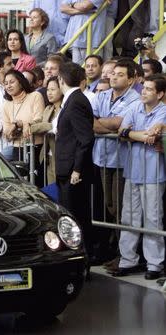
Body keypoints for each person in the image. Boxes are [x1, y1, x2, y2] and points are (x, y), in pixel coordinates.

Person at [113, 75, 166, 280]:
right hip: (133, 170)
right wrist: (142, 136)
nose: (143, 92)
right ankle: (128, 260)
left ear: (160, 94)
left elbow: (157, 134)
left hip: (153, 173)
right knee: (129, 217)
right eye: (144, 88)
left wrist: (133, 134)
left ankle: (154, 263)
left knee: (152, 218)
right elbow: (121, 130)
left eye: (149, 89)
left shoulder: (163, 111)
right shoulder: (135, 108)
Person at [92, 60, 140, 265]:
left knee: (121, 208)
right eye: (113, 74)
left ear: (131, 79)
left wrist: (104, 124)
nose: (113, 77)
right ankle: (114, 250)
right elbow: (89, 121)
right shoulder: (101, 95)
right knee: (109, 206)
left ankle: (126, 255)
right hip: (102, 158)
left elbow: (122, 124)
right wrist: (109, 126)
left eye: (120, 74)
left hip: (122, 161)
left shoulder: (135, 100)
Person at [55, 62, 95, 261]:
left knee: (76, 218)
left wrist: (77, 170)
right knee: (72, 216)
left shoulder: (77, 101)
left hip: (73, 172)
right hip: (67, 168)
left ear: (61, 80)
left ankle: (81, 258)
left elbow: (85, 138)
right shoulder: (74, 99)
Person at [2, 69, 44, 169]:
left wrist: (20, 124)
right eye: (6, 83)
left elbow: (39, 120)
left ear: (21, 83)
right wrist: (14, 131)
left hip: (35, 147)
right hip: (17, 149)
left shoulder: (35, 96)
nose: (8, 86)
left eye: (12, 82)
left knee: (35, 182)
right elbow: (6, 132)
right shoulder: (6, 105)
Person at [30, 76, 63, 185]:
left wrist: (46, 126)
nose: (49, 93)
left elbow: (53, 126)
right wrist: (26, 125)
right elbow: (38, 123)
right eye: (48, 89)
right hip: (47, 156)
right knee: (50, 190)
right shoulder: (48, 108)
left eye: (53, 89)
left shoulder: (65, 108)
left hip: (60, 156)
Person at [61, 0, 107, 65]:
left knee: (92, 70)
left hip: (92, 39)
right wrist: (80, 9)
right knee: (78, 71)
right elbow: (63, 8)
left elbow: (85, 6)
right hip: (75, 38)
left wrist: (72, 5)